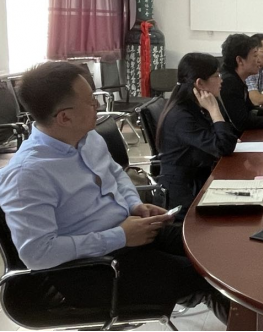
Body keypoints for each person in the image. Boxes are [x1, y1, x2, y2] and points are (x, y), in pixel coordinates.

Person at [0, 62, 229, 322]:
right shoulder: (28, 174)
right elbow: (37, 254)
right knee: (213, 275)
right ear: (64, 117)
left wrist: (134, 204)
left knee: (216, 249)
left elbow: (116, 174)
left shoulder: (88, 138)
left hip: (128, 234)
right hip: (95, 269)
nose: (98, 106)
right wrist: (119, 237)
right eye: (91, 102)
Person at [157, 53, 238, 221]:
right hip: (185, 193)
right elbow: (223, 147)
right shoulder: (181, 116)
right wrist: (214, 110)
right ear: (200, 83)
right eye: (216, 75)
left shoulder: (195, 106)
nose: (221, 80)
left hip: (201, 178)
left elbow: (229, 136)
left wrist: (215, 107)